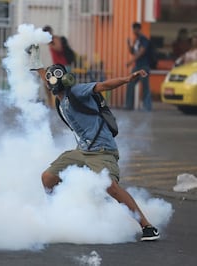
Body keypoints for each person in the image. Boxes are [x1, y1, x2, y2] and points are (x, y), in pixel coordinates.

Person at [26, 43, 160, 241]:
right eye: (49, 81)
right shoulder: (59, 96)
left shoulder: (77, 91)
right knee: (47, 178)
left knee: (110, 186)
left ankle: (147, 227)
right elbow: (45, 75)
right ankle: (56, 213)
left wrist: (127, 79)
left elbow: (104, 85)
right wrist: (36, 61)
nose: (49, 83)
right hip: (81, 151)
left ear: (65, 80)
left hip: (102, 150)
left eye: (54, 80)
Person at [125, 22, 152, 111]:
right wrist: (129, 45)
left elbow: (141, 52)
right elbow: (133, 52)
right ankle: (129, 105)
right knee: (130, 83)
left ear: (137, 29)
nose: (133, 31)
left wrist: (130, 61)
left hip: (144, 66)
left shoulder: (144, 39)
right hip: (137, 66)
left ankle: (147, 107)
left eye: (134, 29)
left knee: (145, 87)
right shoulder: (136, 40)